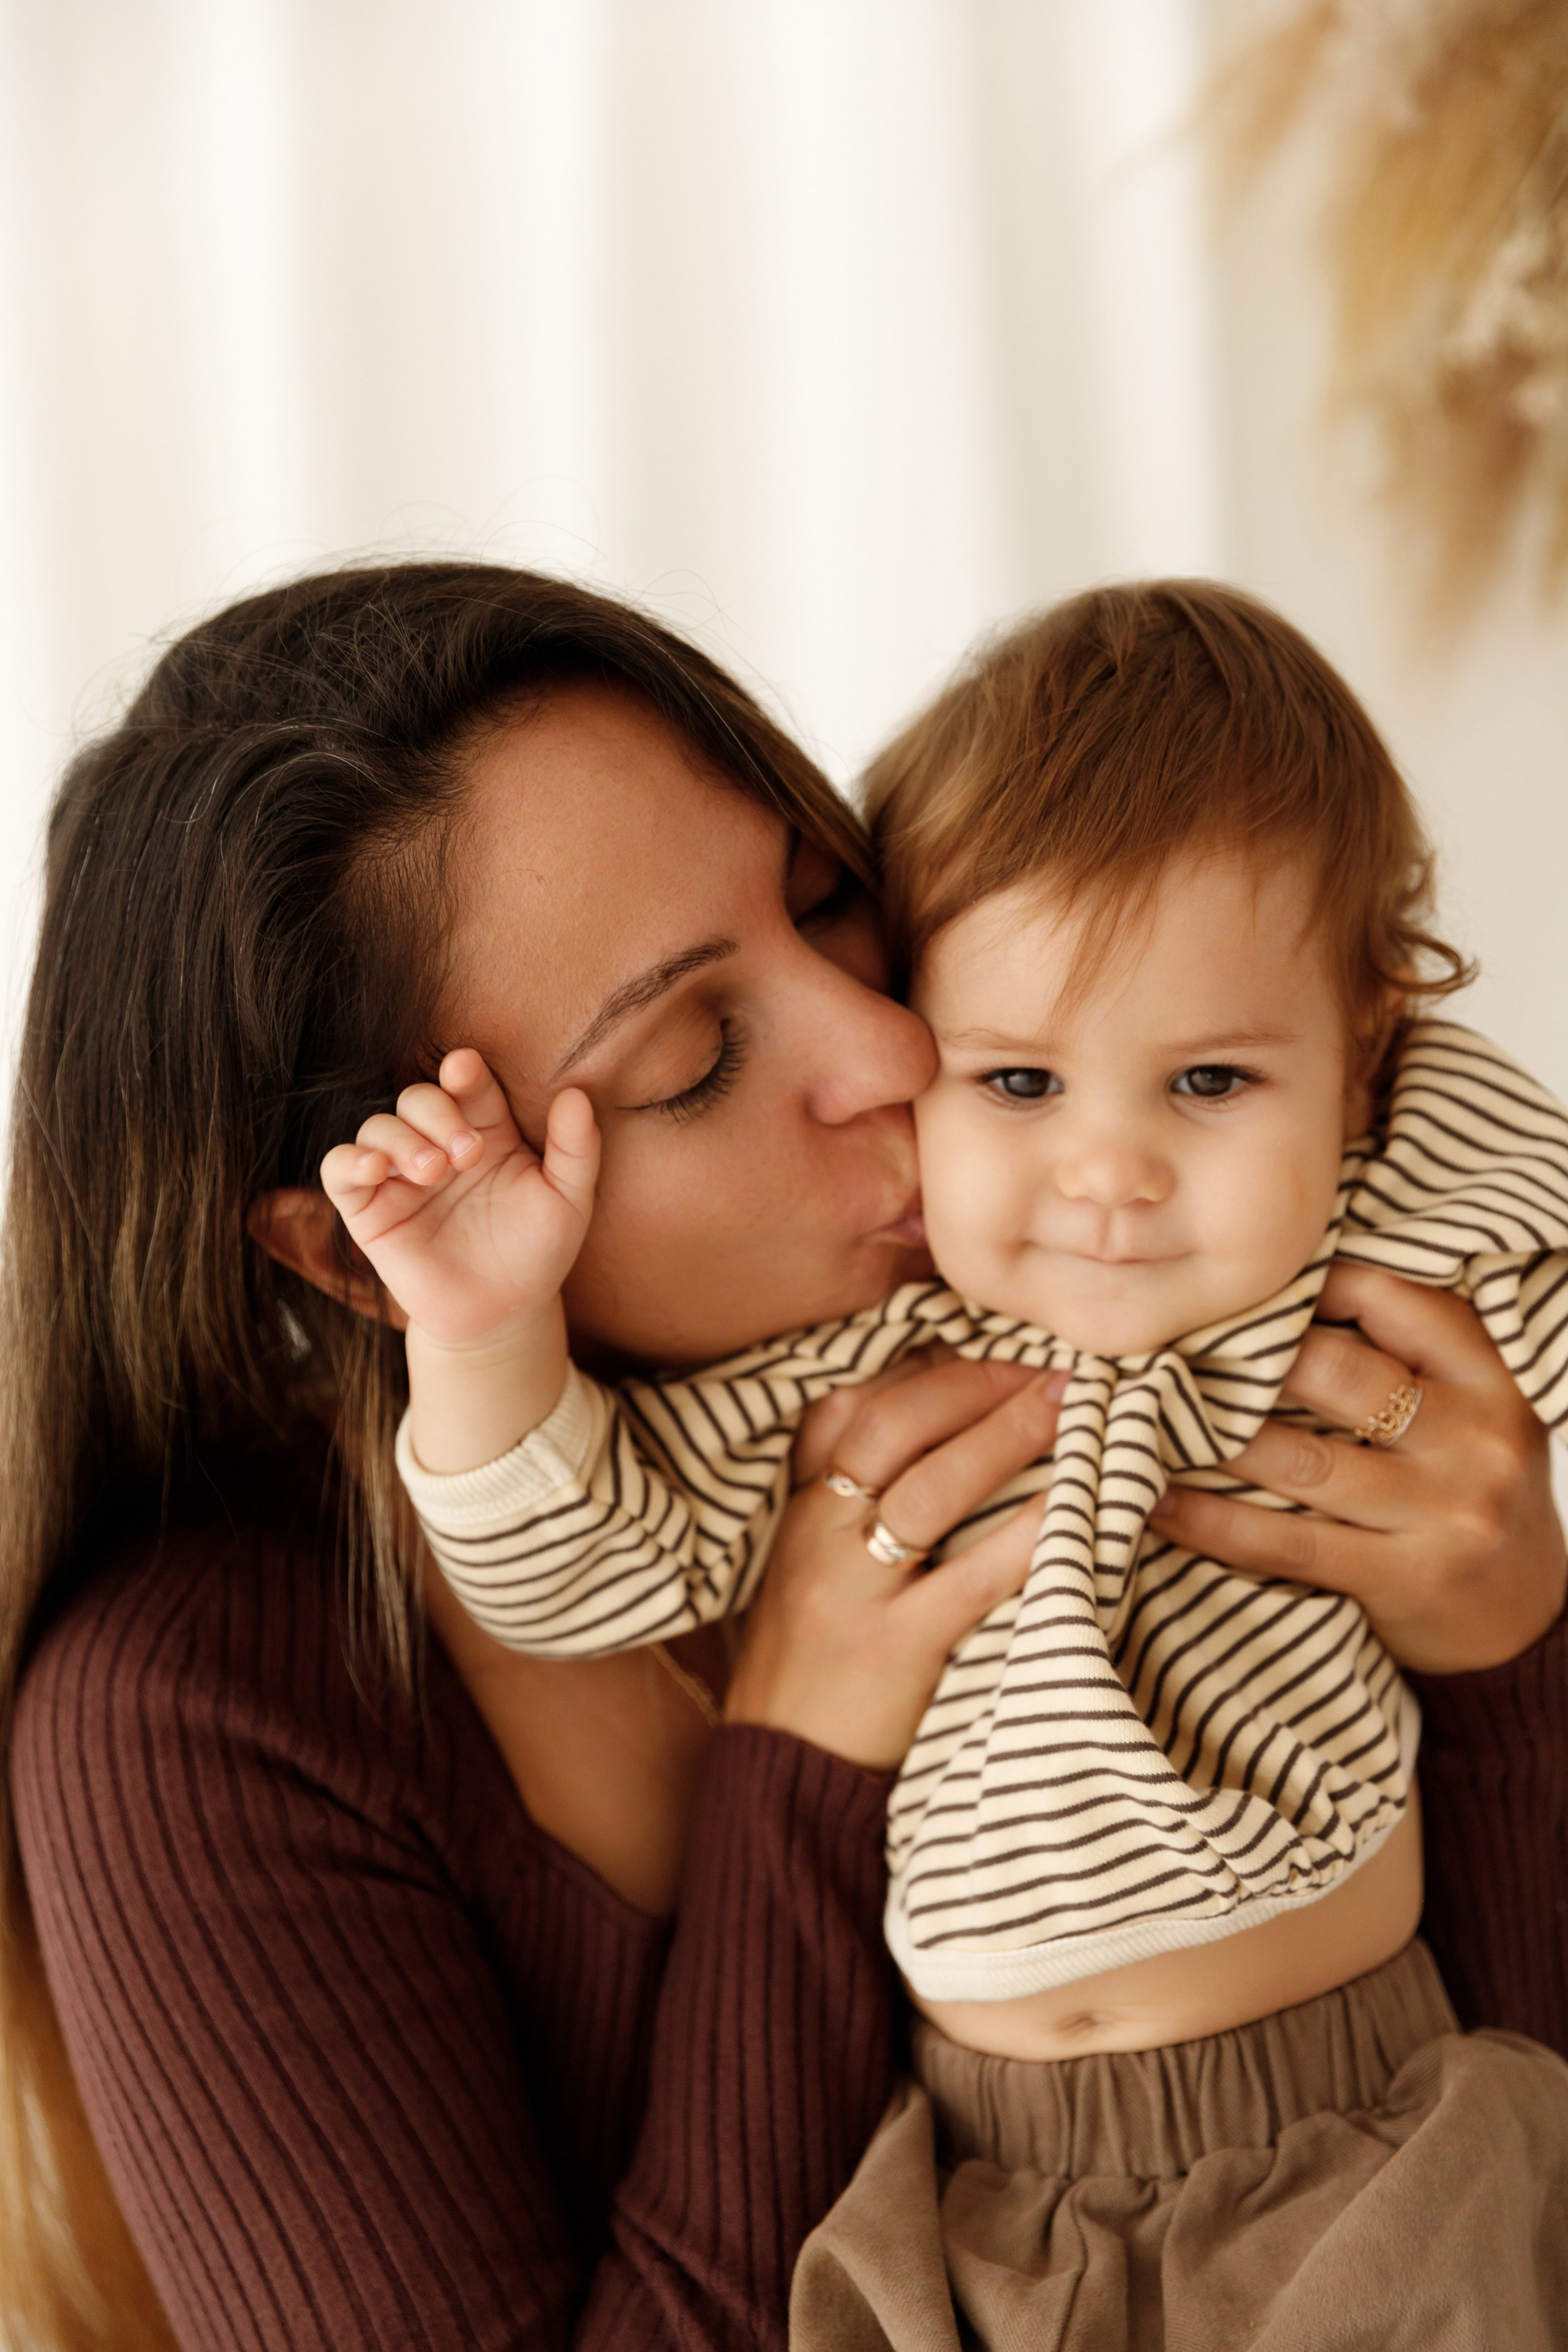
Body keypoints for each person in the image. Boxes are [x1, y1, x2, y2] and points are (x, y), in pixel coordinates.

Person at [0, 564, 1562, 2352]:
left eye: (834, 906)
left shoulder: (1156, 1344)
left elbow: (1502, 2166)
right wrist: (801, 1775)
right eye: (693, 1059)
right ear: (361, 1257)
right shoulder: (185, 1714)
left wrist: (1507, 1656)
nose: (898, 1048)